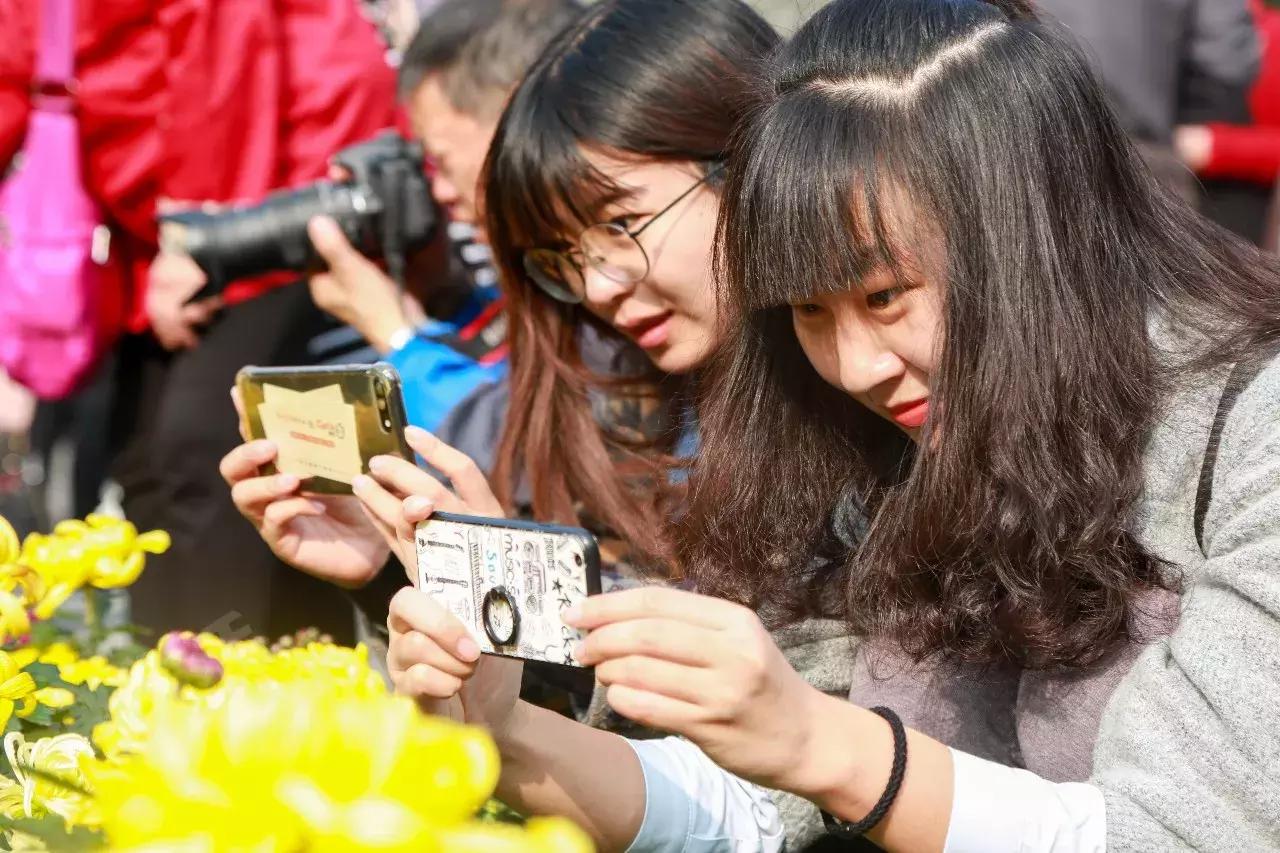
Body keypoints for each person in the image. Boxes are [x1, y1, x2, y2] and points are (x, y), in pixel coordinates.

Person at [385, 0, 1280, 850]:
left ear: (1026, 230)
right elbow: (757, 811)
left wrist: (829, 746)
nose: (855, 366)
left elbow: (1185, 828)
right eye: (809, 310)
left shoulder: (1251, 432)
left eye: (885, 295)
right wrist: (501, 726)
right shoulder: (863, 444)